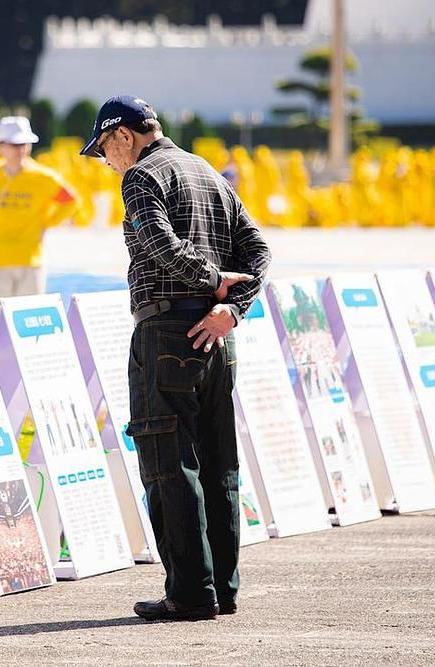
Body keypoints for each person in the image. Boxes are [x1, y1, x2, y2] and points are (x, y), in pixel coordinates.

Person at [80, 95, 271, 622]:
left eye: (104, 150)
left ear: (123, 136)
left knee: (170, 464)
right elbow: (257, 250)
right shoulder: (208, 172)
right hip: (216, 336)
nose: (107, 162)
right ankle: (222, 589)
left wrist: (213, 282)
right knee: (218, 463)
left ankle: (190, 593)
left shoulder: (142, 176)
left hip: (166, 332)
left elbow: (158, 245)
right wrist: (231, 308)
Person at [0, 116, 79, 323]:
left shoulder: (43, 177)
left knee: (29, 325)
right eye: (15, 144)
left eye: (25, 143)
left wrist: (46, 223)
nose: (21, 149)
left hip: (30, 262)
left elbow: (71, 200)